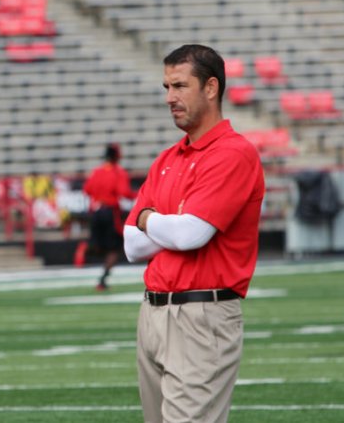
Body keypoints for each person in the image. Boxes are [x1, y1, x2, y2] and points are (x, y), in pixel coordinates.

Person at [123, 44, 265, 423]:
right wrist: (167, 222)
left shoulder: (232, 153)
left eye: (180, 86)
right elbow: (132, 245)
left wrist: (151, 218)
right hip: (153, 312)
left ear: (211, 87)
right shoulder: (168, 158)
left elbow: (190, 235)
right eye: (166, 87)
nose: (170, 97)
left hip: (203, 314)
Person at [82, 143, 135, 290]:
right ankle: (102, 280)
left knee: (98, 244)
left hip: (97, 211)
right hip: (110, 212)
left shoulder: (97, 171)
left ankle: (85, 250)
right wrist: (137, 194)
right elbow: (124, 193)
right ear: (117, 156)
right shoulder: (118, 172)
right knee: (114, 248)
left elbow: (87, 190)